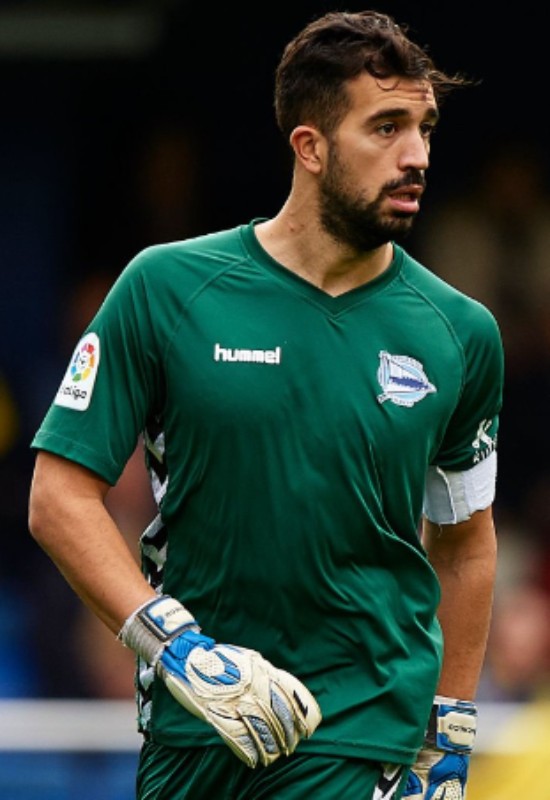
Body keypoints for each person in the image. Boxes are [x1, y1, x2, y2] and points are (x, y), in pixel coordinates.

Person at [28, 10, 504, 800]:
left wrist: (449, 732)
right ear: (309, 148)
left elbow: (465, 543)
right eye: (385, 128)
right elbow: (58, 496)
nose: (416, 155)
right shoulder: (165, 289)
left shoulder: (460, 333)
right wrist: (176, 647)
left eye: (424, 127)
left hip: (363, 743)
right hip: (195, 733)